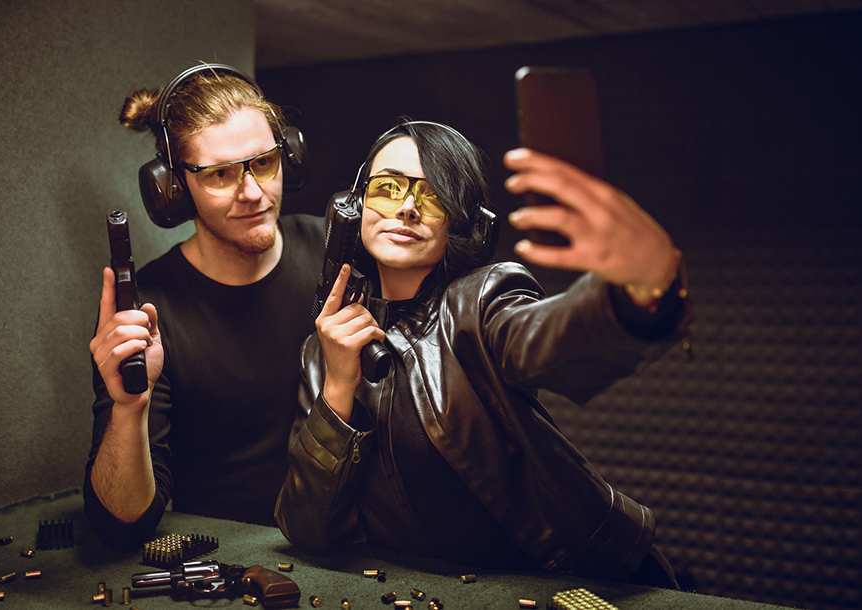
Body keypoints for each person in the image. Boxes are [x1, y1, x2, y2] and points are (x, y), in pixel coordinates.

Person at [274, 121, 690, 587]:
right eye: (387, 189)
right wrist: (336, 389)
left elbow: (554, 338)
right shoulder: (321, 351)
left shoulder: (482, 301)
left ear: (459, 222)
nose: (407, 207)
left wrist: (636, 295)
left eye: (433, 196)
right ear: (354, 207)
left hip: (580, 578)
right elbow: (308, 529)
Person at [85, 64, 325, 551]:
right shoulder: (148, 310)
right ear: (173, 189)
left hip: (345, 541)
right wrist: (130, 408)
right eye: (219, 174)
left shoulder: (331, 251)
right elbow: (120, 524)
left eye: (264, 163)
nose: (253, 193)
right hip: (227, 553)